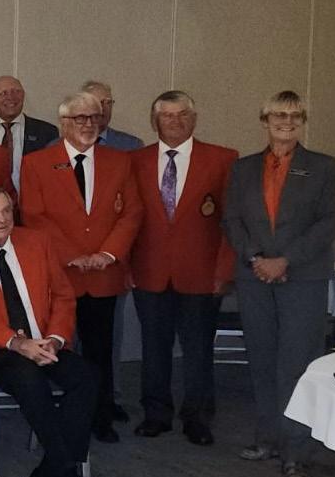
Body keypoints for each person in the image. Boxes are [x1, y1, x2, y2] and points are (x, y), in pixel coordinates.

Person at [223, 91, 335, 477]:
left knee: (297, 363)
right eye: (278, 115)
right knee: (261, 359)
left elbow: (327, 222)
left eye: (295, 116)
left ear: (303, 122)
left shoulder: (324, 166)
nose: (286, 122)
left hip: (302, 277)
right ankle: (267, 438)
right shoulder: (243, 168)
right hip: (255, 276)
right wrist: (257, 259)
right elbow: (232, 220)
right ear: (265, 120)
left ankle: (296, 448)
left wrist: (285, 260)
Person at [0, 188, 96, 477]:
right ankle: (64, 466)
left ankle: (54, 466)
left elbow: (63, 296)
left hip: (44, 340)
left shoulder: (37, 242)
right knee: (29, 378)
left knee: (86, 377)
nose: (1, 219)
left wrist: (55, 339)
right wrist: (16, 343)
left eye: (6, 211)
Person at [20, 91, 142, 443]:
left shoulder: (120, 161)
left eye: (94, 117)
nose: (88, 124)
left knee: (101, 349)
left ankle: (100, 416)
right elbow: (34, 215)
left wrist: (108, 254)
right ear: (64, 123)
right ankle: (60, 415)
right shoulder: (37, 163)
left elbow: (132, 213)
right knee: (59, 348)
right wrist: (71, 254)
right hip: (60, 272)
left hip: (104, 273)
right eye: (80, 118)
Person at [129, 91, 238, 446]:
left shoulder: (222, 159)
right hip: (149, 272)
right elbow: (128, 218)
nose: (175, 121)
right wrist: (126, 266)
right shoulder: (135, 160)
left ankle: (198, 417)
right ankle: (156, 414)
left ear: (194, 119)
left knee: (198, 351)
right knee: (153, 349)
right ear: (155, 121)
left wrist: (224, 271)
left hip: (202, 275)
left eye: (182, 115)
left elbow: (232, 221)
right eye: (167, 115)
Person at [0, 76, 58, 189]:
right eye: (3, 93)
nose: (11, 97)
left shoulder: (47, 132)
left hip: (31, 197)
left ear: (23, 95)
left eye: (16, 91)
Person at [82, 81, 144, 151]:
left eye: (107, 102)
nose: (102, 107)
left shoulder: (132, 145)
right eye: (96, 102)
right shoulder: (72, 142)